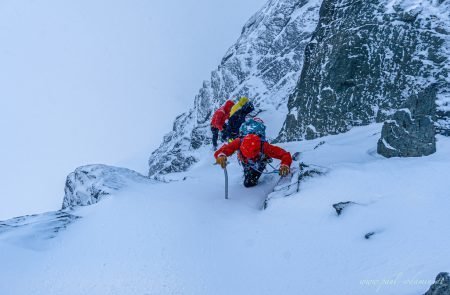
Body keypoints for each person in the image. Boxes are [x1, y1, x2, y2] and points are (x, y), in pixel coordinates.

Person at [214, 134, 292, 187]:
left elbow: (284, 154)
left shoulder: (264, 146)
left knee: (249, 183)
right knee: (248, 177)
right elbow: (223, 150)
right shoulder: (238, 142)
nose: (250, 157)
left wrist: (285, 164)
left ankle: (252, 174)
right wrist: (221, 155)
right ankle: (249, 173)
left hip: (257, 161)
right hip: (247, 161)